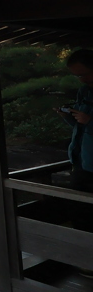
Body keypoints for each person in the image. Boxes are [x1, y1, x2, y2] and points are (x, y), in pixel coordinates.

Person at [63, 49, 93, 188]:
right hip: (81, 161)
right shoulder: (84, 91)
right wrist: (67, 116)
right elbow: (80, 126)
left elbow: (87, 123)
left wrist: (89, 121)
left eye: (84, 74)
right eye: (77, 76)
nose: (81, 79)